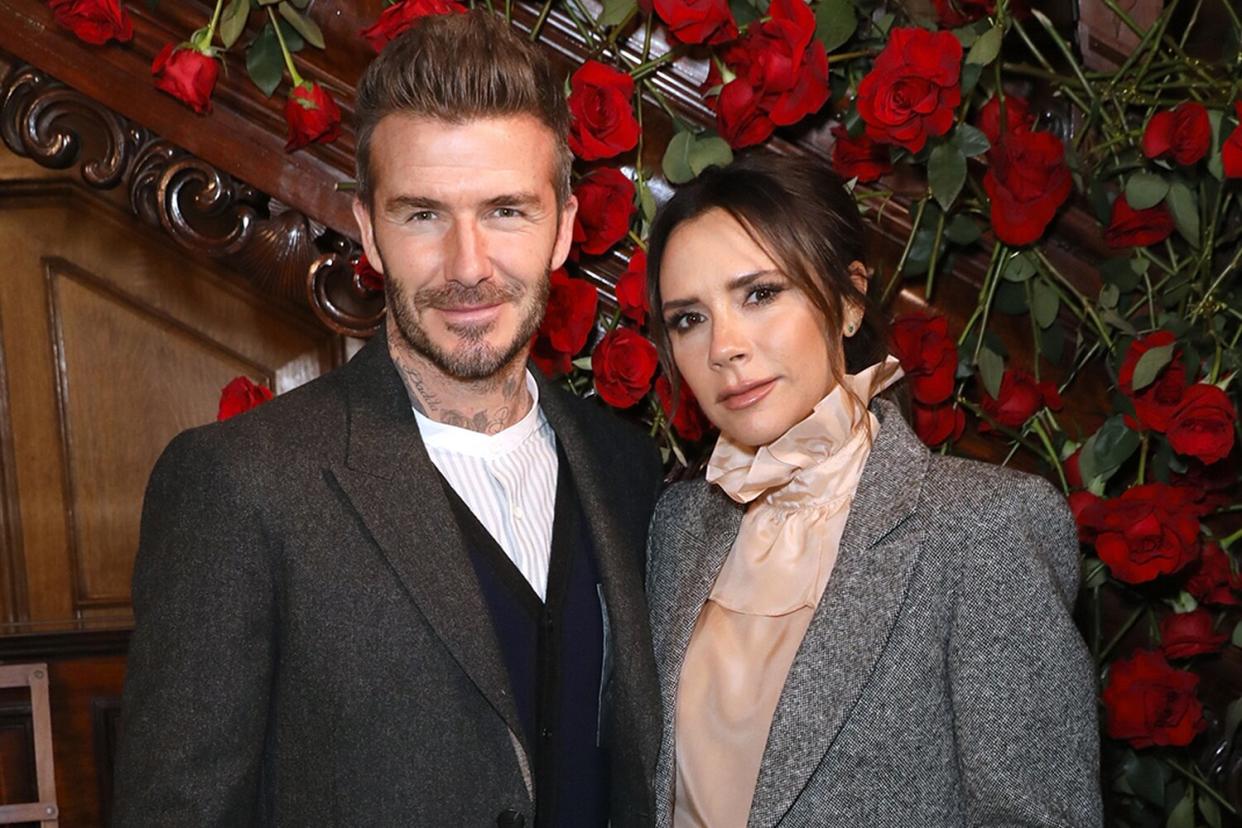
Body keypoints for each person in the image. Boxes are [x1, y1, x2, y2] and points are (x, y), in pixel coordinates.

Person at [112, 11, 662, 827]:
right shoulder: (240, 484)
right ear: (369, 228)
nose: (467, 266)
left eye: (507, 211)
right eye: (423, 214)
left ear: (564, 229)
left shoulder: (628, 472)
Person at [642, 154, 1102, 827]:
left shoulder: (983, 528)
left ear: (850, 300)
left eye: (760, 293)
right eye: (688, 319)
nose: (724, 347)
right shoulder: (677, 528)